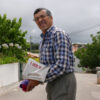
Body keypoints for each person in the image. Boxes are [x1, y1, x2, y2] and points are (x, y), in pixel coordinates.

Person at [26, 8, 76, 100]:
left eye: (42, 16)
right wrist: (32, 79)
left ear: (51, 18)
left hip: (63, 81)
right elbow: (44, 66)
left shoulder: (58, 34)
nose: (40, 20)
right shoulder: (42, 42)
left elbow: (61, 65)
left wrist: (38, 79)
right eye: (36, 19)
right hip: (51, 82)